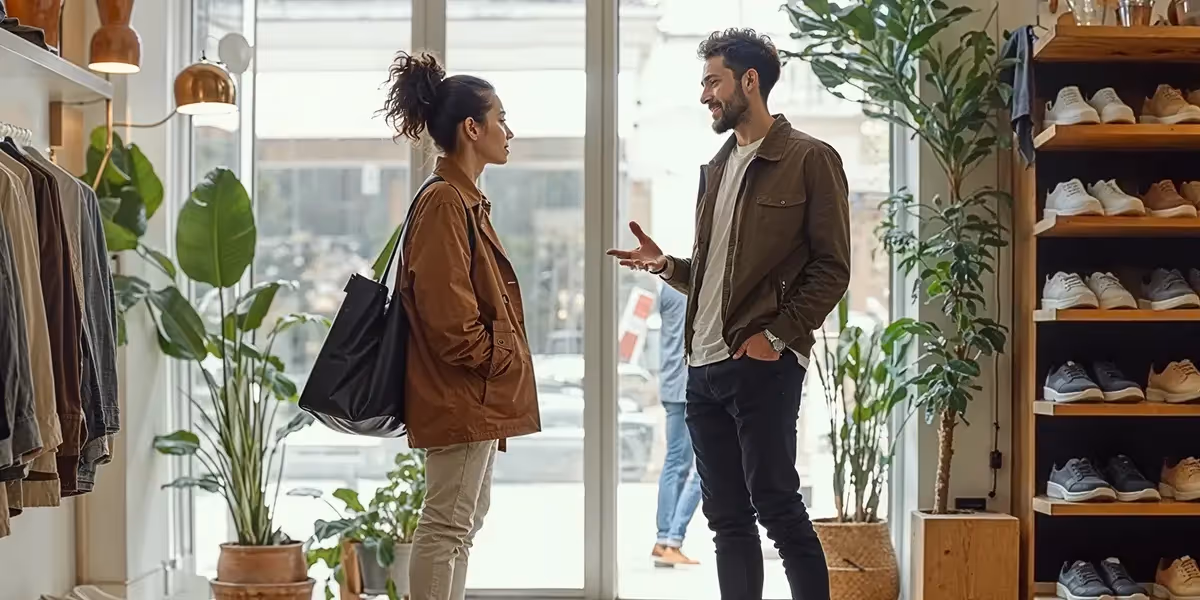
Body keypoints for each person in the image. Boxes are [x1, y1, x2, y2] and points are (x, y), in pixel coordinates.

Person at [608, 28, 850, 600]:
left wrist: (776, 336)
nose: (704, 96)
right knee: (726, 522)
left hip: (762, 363)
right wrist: (667, 266)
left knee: (779, 510)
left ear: (750, 81)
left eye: (712, 82)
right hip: (704, 367)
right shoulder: (716, 167)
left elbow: (832, 269)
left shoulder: (810, 159)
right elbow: (717, 272)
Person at [382, 51, 541, 600]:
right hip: (462, 393)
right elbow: (450, 319)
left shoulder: (461, 198)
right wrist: (499, 358)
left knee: (461, 526)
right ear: (472, 129)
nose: (509, 130)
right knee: (447, 525)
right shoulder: (447, 201)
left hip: (470, 394)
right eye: (501, 118)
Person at [651, 283, 702, 568]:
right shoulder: (698, 284)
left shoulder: (668, 289)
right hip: (694, 386)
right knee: (704, 468)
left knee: (674, 463)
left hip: (671, 383)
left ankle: (663, 541)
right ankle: (672, 539)